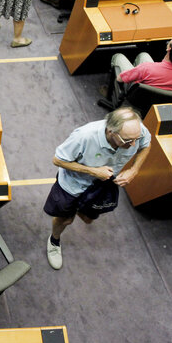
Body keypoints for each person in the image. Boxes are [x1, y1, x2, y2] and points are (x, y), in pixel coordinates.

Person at [44, 107, 150, 270]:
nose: (133, 144)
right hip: (74, 185)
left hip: (102, 185)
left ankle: (80, 210)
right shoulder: (84, 136)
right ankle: (54, 240)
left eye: (136, 138)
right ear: (111, 131)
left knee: (88, 219)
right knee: (65, 219)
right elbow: (58, 160)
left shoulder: (136, 131)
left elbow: (145, 145)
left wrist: (134, 170)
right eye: (128, 141)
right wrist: (93, 171)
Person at [105, 33, 172, 105]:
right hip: (166, 101)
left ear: (169, 48)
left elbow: (120, 79)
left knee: (118, 57)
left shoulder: (147, 68)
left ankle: (109, 96)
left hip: (139, 99)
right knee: (144, 55)